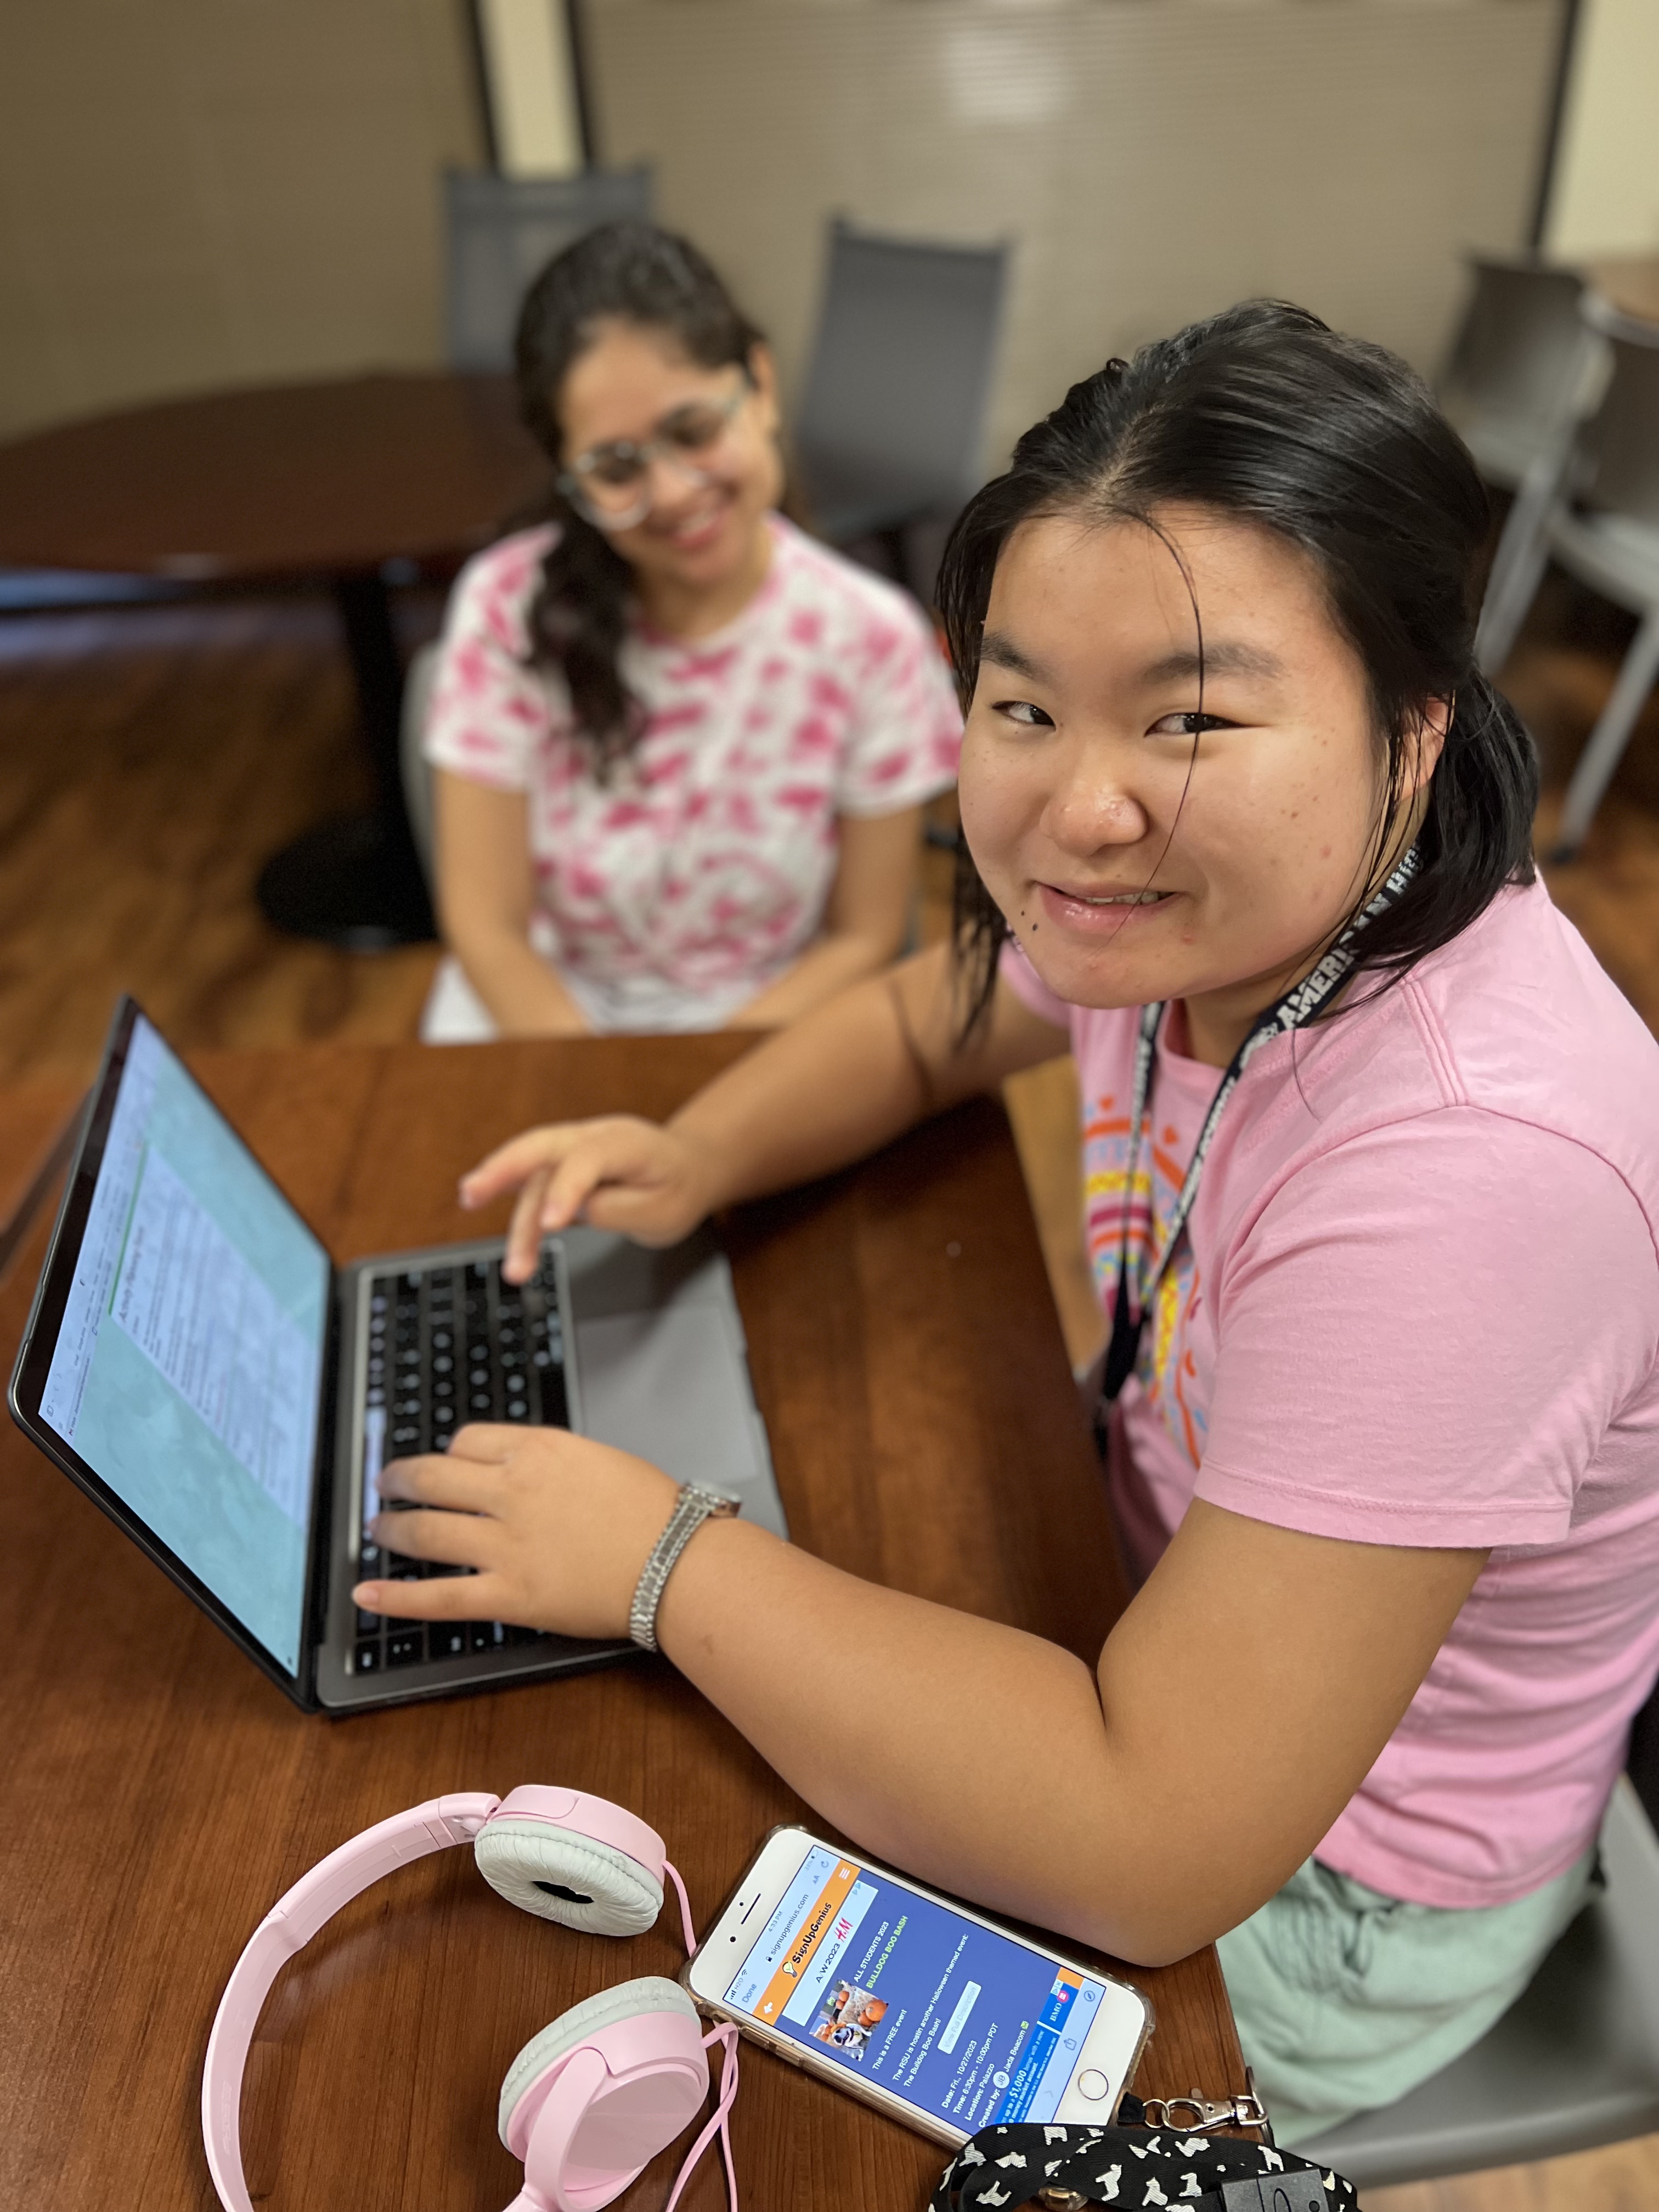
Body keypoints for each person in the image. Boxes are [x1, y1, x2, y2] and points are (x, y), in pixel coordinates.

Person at [356, 303, 1659, 2141]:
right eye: (1022, 706)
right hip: (1148, 1598)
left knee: (687, 2030)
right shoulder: (1211, 908)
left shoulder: (1470, 1163)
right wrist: (695, 1151)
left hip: (1333, 1885)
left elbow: (1148, 1848)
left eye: (1189, 716)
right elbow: (933, 1011)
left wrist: (661, 1562)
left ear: (1413, 727)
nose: (1078, 808)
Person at [420, 221, 962, 1041]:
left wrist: (691, 1112)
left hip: (764, 1029)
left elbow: (864, 936)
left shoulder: (871, 641)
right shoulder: (507, 609)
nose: (670, 493)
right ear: (571, 477)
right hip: (538, 1018)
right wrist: (602, 1092)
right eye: (616, 467)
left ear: (762, 385)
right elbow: (489, 931)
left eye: (694, 432)